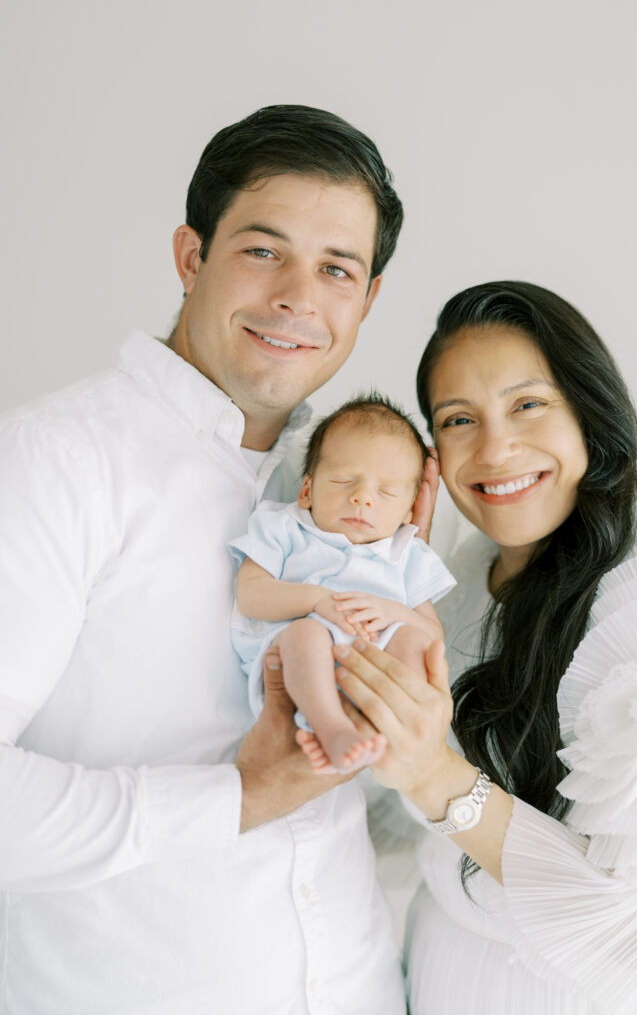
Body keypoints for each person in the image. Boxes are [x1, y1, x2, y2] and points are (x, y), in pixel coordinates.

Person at [0, 105, 414, 1013]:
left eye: (336, 268)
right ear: (191, 257)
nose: (299, 299)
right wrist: (235, 797)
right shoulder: (53, 461)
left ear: (367, 300)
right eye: (263, 251)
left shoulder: (361, 494)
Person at [331, 281, 637, 1013]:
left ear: (587, 408)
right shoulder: (460, 580)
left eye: (527, 404)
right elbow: (395, 829)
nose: (495, 449)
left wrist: (435, 772)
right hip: (439, 979)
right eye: (458, 419)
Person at [231, 394, 455, 773]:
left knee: (414, 642)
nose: (362, 498)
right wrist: (316, 600)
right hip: (295, 663)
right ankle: (333, 728)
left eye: (386, 492)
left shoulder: (407, 554)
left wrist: (395, 612)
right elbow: (249, 595)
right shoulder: (286, 528)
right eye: (343, 481)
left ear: (407, 511)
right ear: (306, 491)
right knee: (307, 636)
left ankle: (377, 729)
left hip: (374, 669)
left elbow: (434, 634)